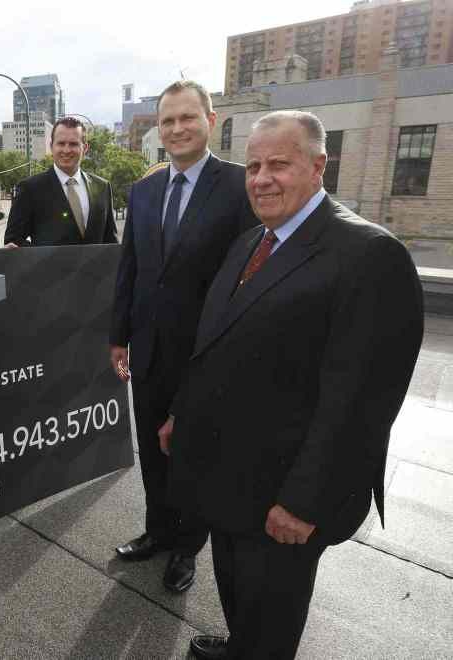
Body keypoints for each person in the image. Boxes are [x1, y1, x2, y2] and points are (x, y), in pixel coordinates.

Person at [161, 111, 423, 659]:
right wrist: (182, 413)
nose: (260, 178)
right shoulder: (250, 243)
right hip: (229, 479)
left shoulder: (369, 256)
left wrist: (304, 501)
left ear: (318, 166)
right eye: (254, 165)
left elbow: (360, 403)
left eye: (278, 164)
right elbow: (215, 346)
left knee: (271, 612)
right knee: (238, 593)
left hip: (285, 496)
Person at [109, 80, 258, 592]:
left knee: (194, 458)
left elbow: (249, 280)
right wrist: (118, 336)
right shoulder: (145, 188)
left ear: (209, 121)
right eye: (167, 120)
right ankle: (157, 531)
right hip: (148, 351)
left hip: (206, 357)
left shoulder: (241, 186)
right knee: (153, 451)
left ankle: (188, 548)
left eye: (186, 118)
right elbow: (130, 267)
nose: (176, 129)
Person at [3, 116, 118, 247]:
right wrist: (45, 257)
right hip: (48, 267)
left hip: (95, 268)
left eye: (73, 144)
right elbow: (13, 240)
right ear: (52, 146)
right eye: (61, 143)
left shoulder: (102, 187)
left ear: (85, 148)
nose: (66, 150)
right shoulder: (30, 189)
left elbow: (111, 241)